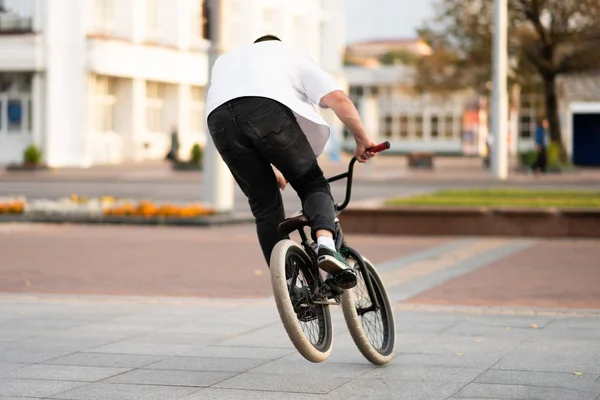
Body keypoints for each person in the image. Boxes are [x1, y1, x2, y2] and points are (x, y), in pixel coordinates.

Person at [205, 35, 378, 289]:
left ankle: (292, 289)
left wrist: (276, 167)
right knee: (313, 185)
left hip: (218, 120)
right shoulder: (290, 55)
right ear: (279, 44)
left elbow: (239, 114)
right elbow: (338, 100)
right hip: (266, 112)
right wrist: (363, 139)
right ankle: (327, 248)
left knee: (265, 208)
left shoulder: (228, 60)